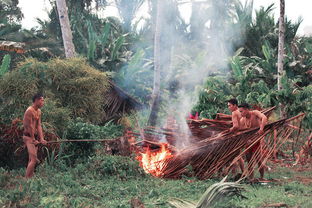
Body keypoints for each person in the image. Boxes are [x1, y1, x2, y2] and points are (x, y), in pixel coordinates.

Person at [238, 103, 268, 180]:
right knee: (249, 161)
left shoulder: (255, 113)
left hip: (257, 140)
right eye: (240, 112)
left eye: (241, 111)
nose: (240, 113)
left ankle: (261, 177)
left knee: (259, 160)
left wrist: (261, 128)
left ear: (247, 109)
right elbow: (241, 134)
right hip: (248, 142)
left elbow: (264, 118)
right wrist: (246, 141)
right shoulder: (242, 120)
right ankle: (251, 178)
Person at [23, 93, 47, 178]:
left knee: (31, 159)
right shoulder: (29, 110)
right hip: (28, 137)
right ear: (36, 100)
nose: (43, 102)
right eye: (41, 100)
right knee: (34, 160)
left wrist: (41, 139)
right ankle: (26, 180)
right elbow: (28, 126)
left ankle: (30, 178)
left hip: (34, 137)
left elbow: (39, 125)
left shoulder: (39, 111)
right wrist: (33, 139)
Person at [226, 98, 244, 175]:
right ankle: (242, 172)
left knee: (235, 155)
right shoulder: (241, 112)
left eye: (230, 105)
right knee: (238, 154)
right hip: (243, 135)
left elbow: (236, 126)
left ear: (235, 105)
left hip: (237, 136)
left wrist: (229, 131)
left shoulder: (234, 113)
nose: (228, 107)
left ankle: (234, 172)